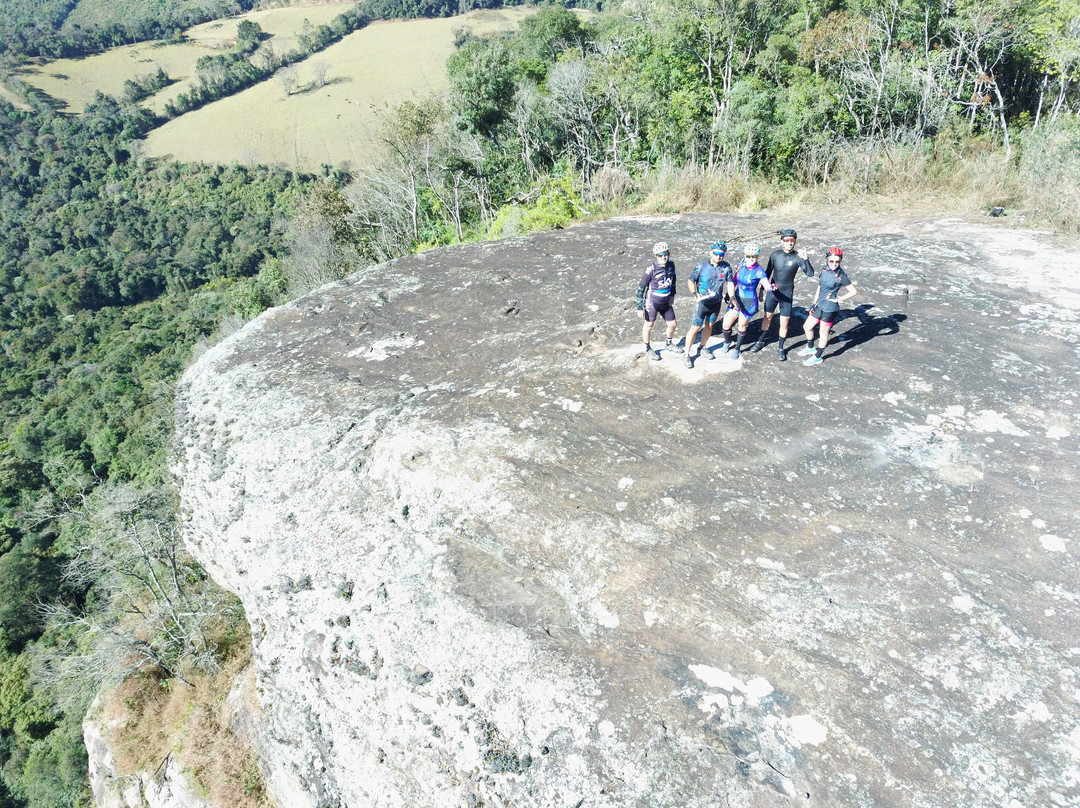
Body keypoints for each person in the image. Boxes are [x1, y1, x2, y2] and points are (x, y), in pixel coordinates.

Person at [753, 228, 814, 361]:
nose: (789, 243)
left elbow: (810, 273)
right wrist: (762, 290)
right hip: (773, 293)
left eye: (792, 241)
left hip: (787, 294)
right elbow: (767, 273)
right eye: (786, 240)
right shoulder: (775, 255)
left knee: (784, 322)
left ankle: (781, 348)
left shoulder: (798, 257)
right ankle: (761, 340)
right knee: (767, 318)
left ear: (794, 242)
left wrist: (806, 259)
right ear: (782, 242)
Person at [798, 247, 858, 366]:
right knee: (807, 326)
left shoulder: (841, 276)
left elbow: (853, 291)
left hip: (830, 308)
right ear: (827, 260)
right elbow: (820, 287)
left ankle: (818, 356)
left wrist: (839, 299)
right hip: (820, 304)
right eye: (831, 261)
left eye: (837, 261)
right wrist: (814, 303)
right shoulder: (825, 270)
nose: (834, 264)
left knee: (823, 333)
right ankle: (810, 347)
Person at [717, 243, 774, 361]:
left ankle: (737, 348)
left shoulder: (759, 271)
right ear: (745, 255)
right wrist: (729, 294)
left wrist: (771, 287)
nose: (751, 259)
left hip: (749, 302)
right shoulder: (742, 264)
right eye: (749, 256)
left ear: (757, 257)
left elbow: (766, 284)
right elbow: (734, 280)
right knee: (726, 323)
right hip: (737, 300)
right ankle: (727, 342)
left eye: (754, 257)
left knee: (742, 325)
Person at [682, 240, 730, 367]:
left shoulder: (726, 267)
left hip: (716, 303)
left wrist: (732, 296)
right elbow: (691, 280)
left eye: (721, 254)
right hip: (702, 303)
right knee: (695, 328)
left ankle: (702, 347)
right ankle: (686, 354)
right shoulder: (701, 265)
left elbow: (730, 283)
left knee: (709, 326)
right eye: (716, 253)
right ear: (711, 252)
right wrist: (694, 293)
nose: (718, 256)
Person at [636, 241, 682, 360]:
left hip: (666, 300)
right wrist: (639, 307)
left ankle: (669, 343)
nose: (664, 257)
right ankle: (647, 348)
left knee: (672, 324)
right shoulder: (650, 269)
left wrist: (672, 294)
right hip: (652, 301)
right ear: (656, 256)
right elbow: (641, 289)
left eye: (665, 254)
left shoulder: (671, 265)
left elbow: (674, 280)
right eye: (660, 255)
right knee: (649, 324)